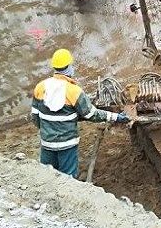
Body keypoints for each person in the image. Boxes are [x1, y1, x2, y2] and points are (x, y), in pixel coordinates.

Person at [31, 48, 129, 177]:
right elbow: (91, 114)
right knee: (68, 177)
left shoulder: (40, 87)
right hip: (67, 143)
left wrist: (48, 130)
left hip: (47, 142)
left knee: (47, 176)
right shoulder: (74, 91)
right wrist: (116, 117)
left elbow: (35, 117)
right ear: (69, 67)